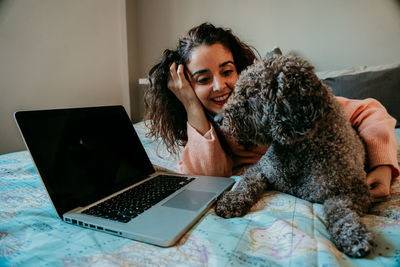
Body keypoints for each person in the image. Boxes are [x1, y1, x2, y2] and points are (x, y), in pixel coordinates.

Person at [144, 22, 399, 202]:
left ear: (240, 70)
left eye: (227, 71)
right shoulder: (204, 128)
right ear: (186, 86)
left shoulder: (280, 103)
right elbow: (211, 178)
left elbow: (369, 109)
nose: (220, 86)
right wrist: (191, 104)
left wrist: (383, 165)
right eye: (202, 79)